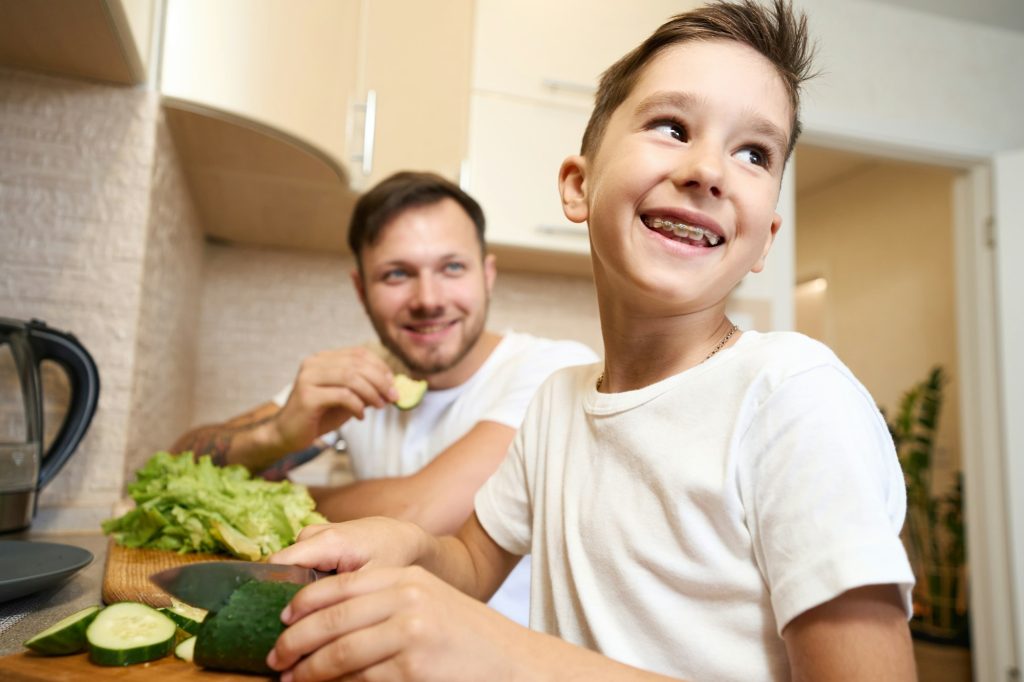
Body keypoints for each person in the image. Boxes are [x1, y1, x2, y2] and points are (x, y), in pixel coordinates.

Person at [265, 1, 918, 680]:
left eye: (754, 152)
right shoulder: (556, 403)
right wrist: (409, 546)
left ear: (765, 242)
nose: (709, 170)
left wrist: (510, 657)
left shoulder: (794, 397)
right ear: (578, 186)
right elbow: (469, 564)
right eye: (672, 126)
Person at [169, 171, 598, 626]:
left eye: (452, 267)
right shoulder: (358, 373)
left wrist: (274, 491)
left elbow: (419, 513)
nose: (428, 299)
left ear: (487, 275)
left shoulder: (554, 369)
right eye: (397, 274)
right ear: (361, 290)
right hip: (376, 643)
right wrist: (275, 435)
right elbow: (176, 469)